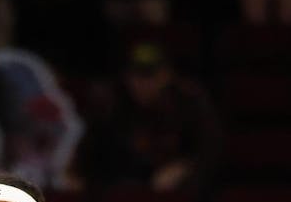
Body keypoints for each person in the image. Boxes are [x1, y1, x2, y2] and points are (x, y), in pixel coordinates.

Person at [87, 43, 220, 193]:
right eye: (135, 75)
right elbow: (99, 158)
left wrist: (186, 167)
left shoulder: (188, 104)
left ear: (166, 75)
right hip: (125, 194)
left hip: (180, 195)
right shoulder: (115, 106)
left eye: (149, 75)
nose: (140, 83)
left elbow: (209, 152)